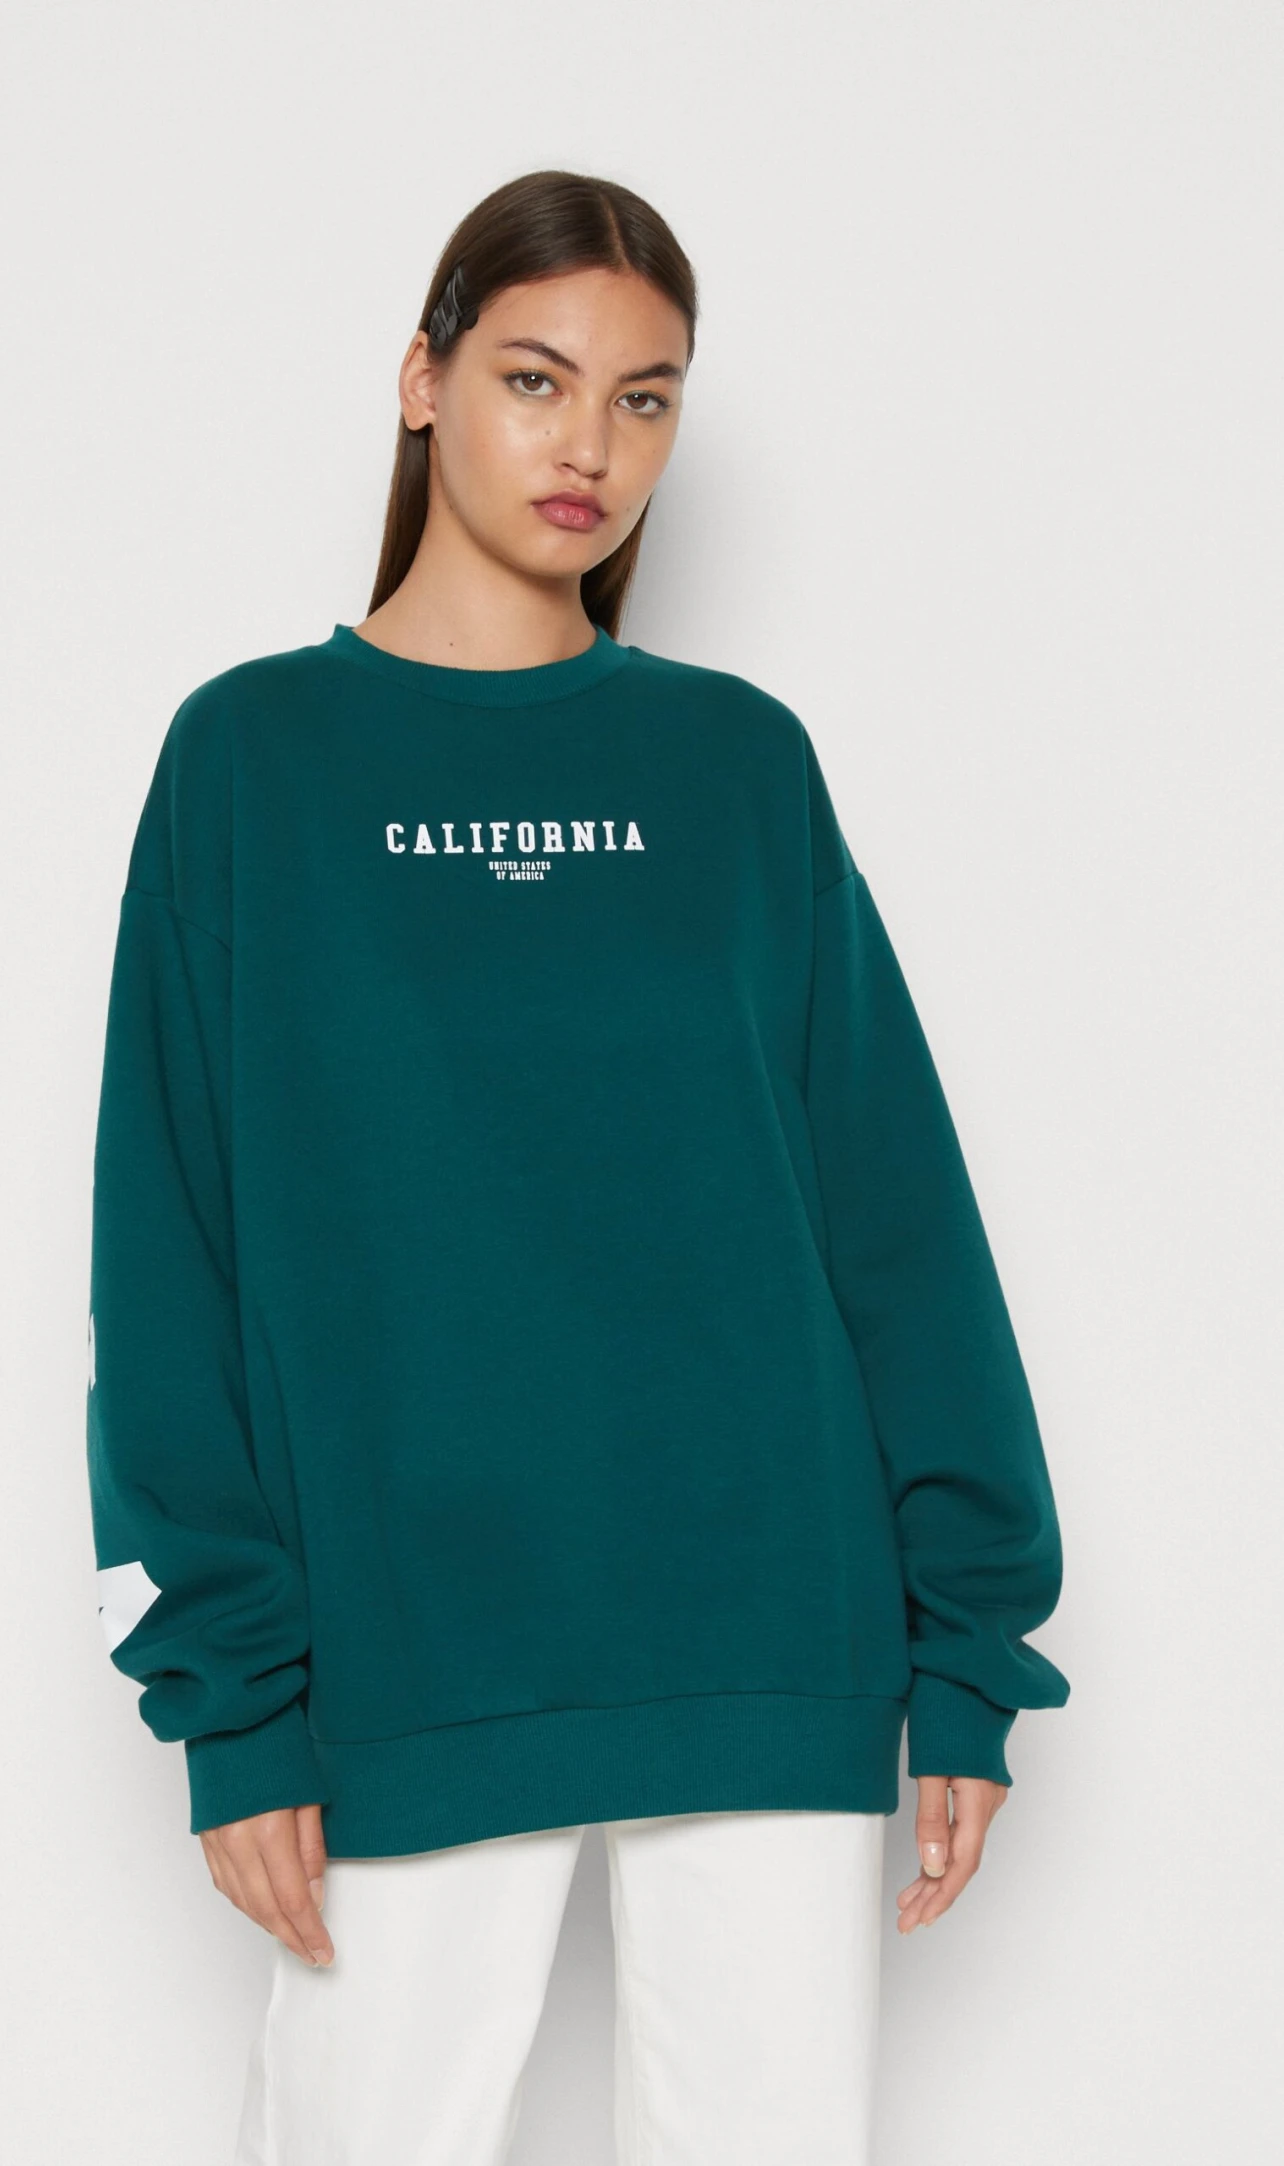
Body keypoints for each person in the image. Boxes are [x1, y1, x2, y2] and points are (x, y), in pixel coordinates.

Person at [85, 168, 1071, 2164]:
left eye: (646, 398)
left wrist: (966, 1644)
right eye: (536, 378)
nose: (589, 447)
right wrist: (237, 1697)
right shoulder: (253, 760)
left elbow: (890, 1213)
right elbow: (170, 1246)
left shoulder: (735, 764)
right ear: (423, 379)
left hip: (771, 1609)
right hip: (405, 1633)